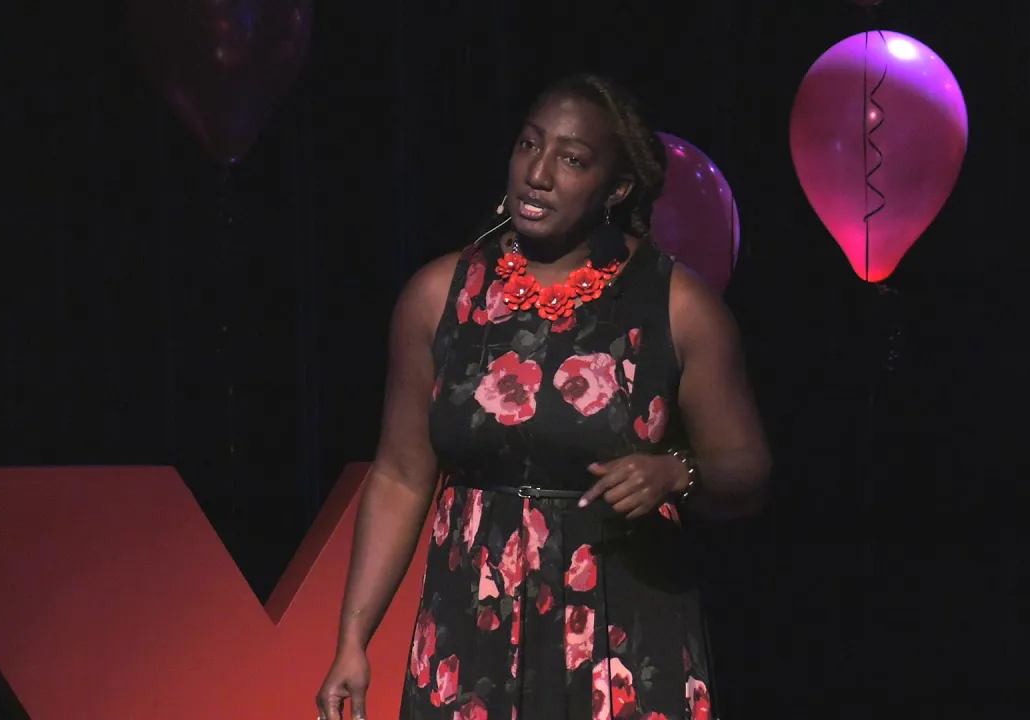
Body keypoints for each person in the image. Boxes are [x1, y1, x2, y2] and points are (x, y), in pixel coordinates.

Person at [316, 73, 771, 720]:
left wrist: (676, 473)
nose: (538, 174)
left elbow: (747, 470)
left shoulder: (676, 306)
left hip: (620, 633)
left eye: (572, 159)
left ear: (616, 188)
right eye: (529, 145)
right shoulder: (438, 296)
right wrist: (352, 641)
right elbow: (400, 476)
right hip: (471, 626)